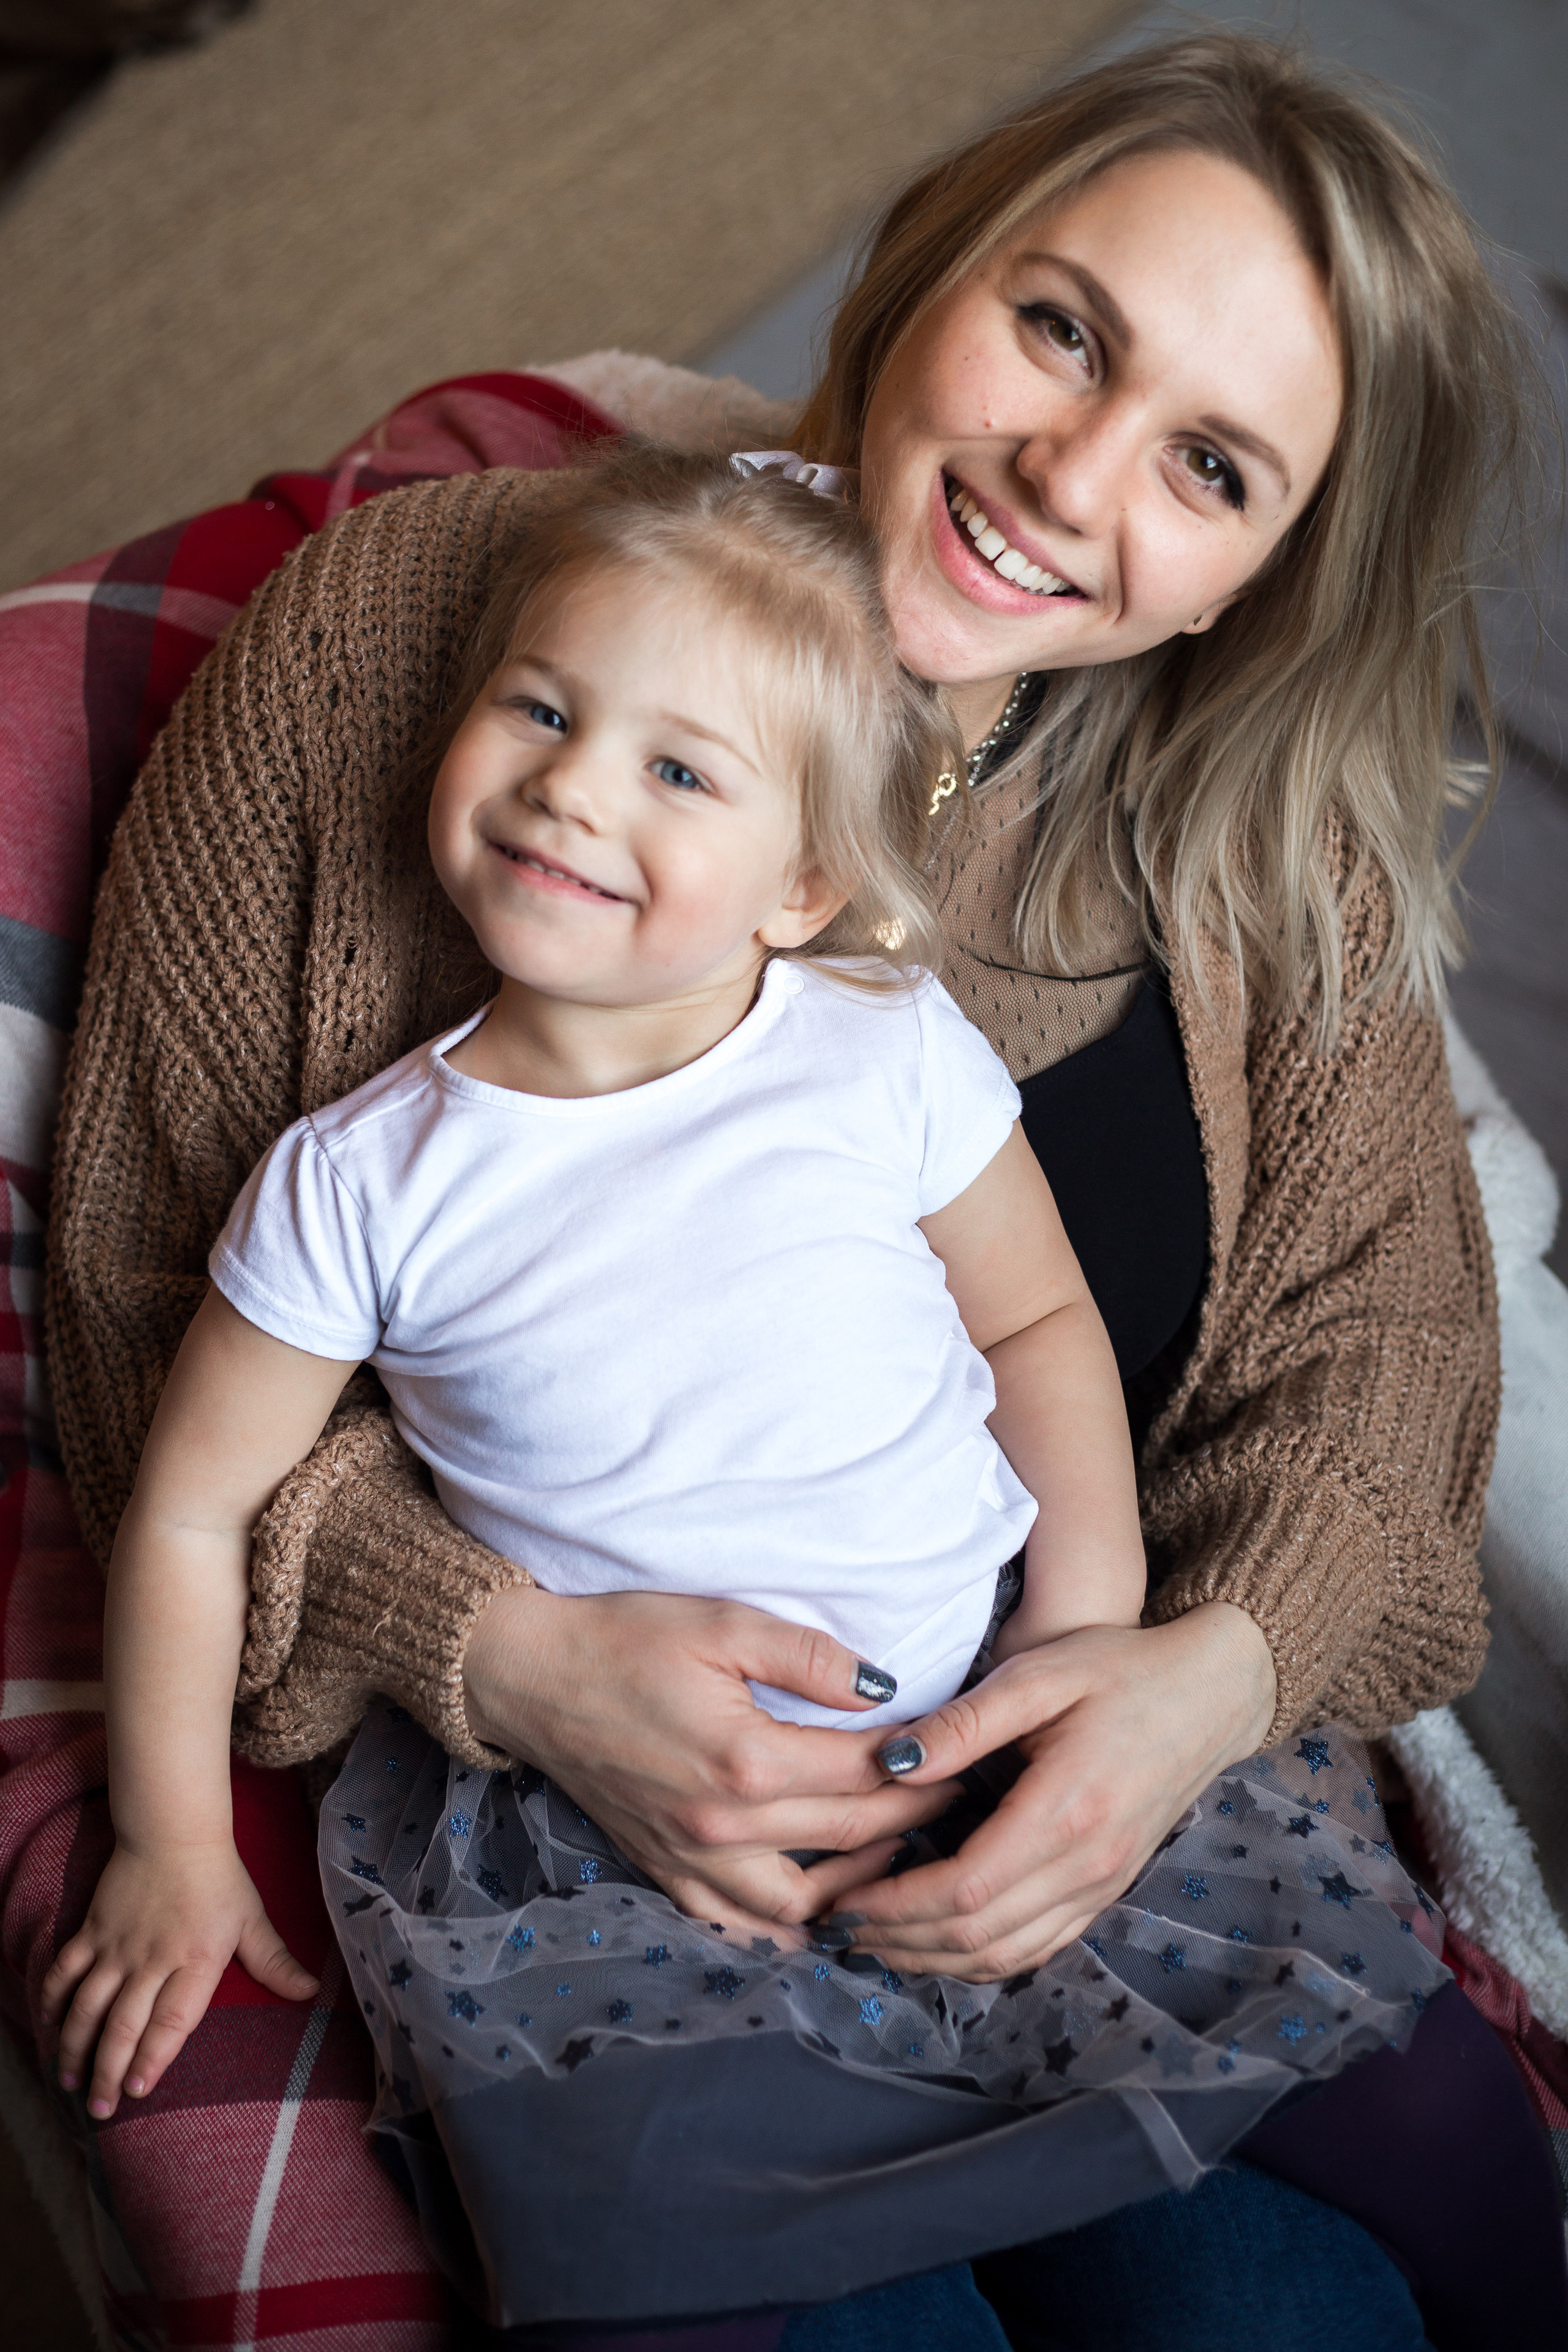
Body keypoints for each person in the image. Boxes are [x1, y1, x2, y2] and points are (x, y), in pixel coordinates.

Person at [42, 31, 1568, 2350]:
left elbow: (1388, 1355)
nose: (1068, 475)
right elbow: (149, 1316)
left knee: (1285, 2316)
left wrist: (1177, 1683)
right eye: (1062, 328)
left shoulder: (1267, 838)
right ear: (934, 258)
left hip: (1071, 1773)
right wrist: (511, 1659)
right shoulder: (428, 639)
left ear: (1254, 575)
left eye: (1211, 465)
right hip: (623, 1853)